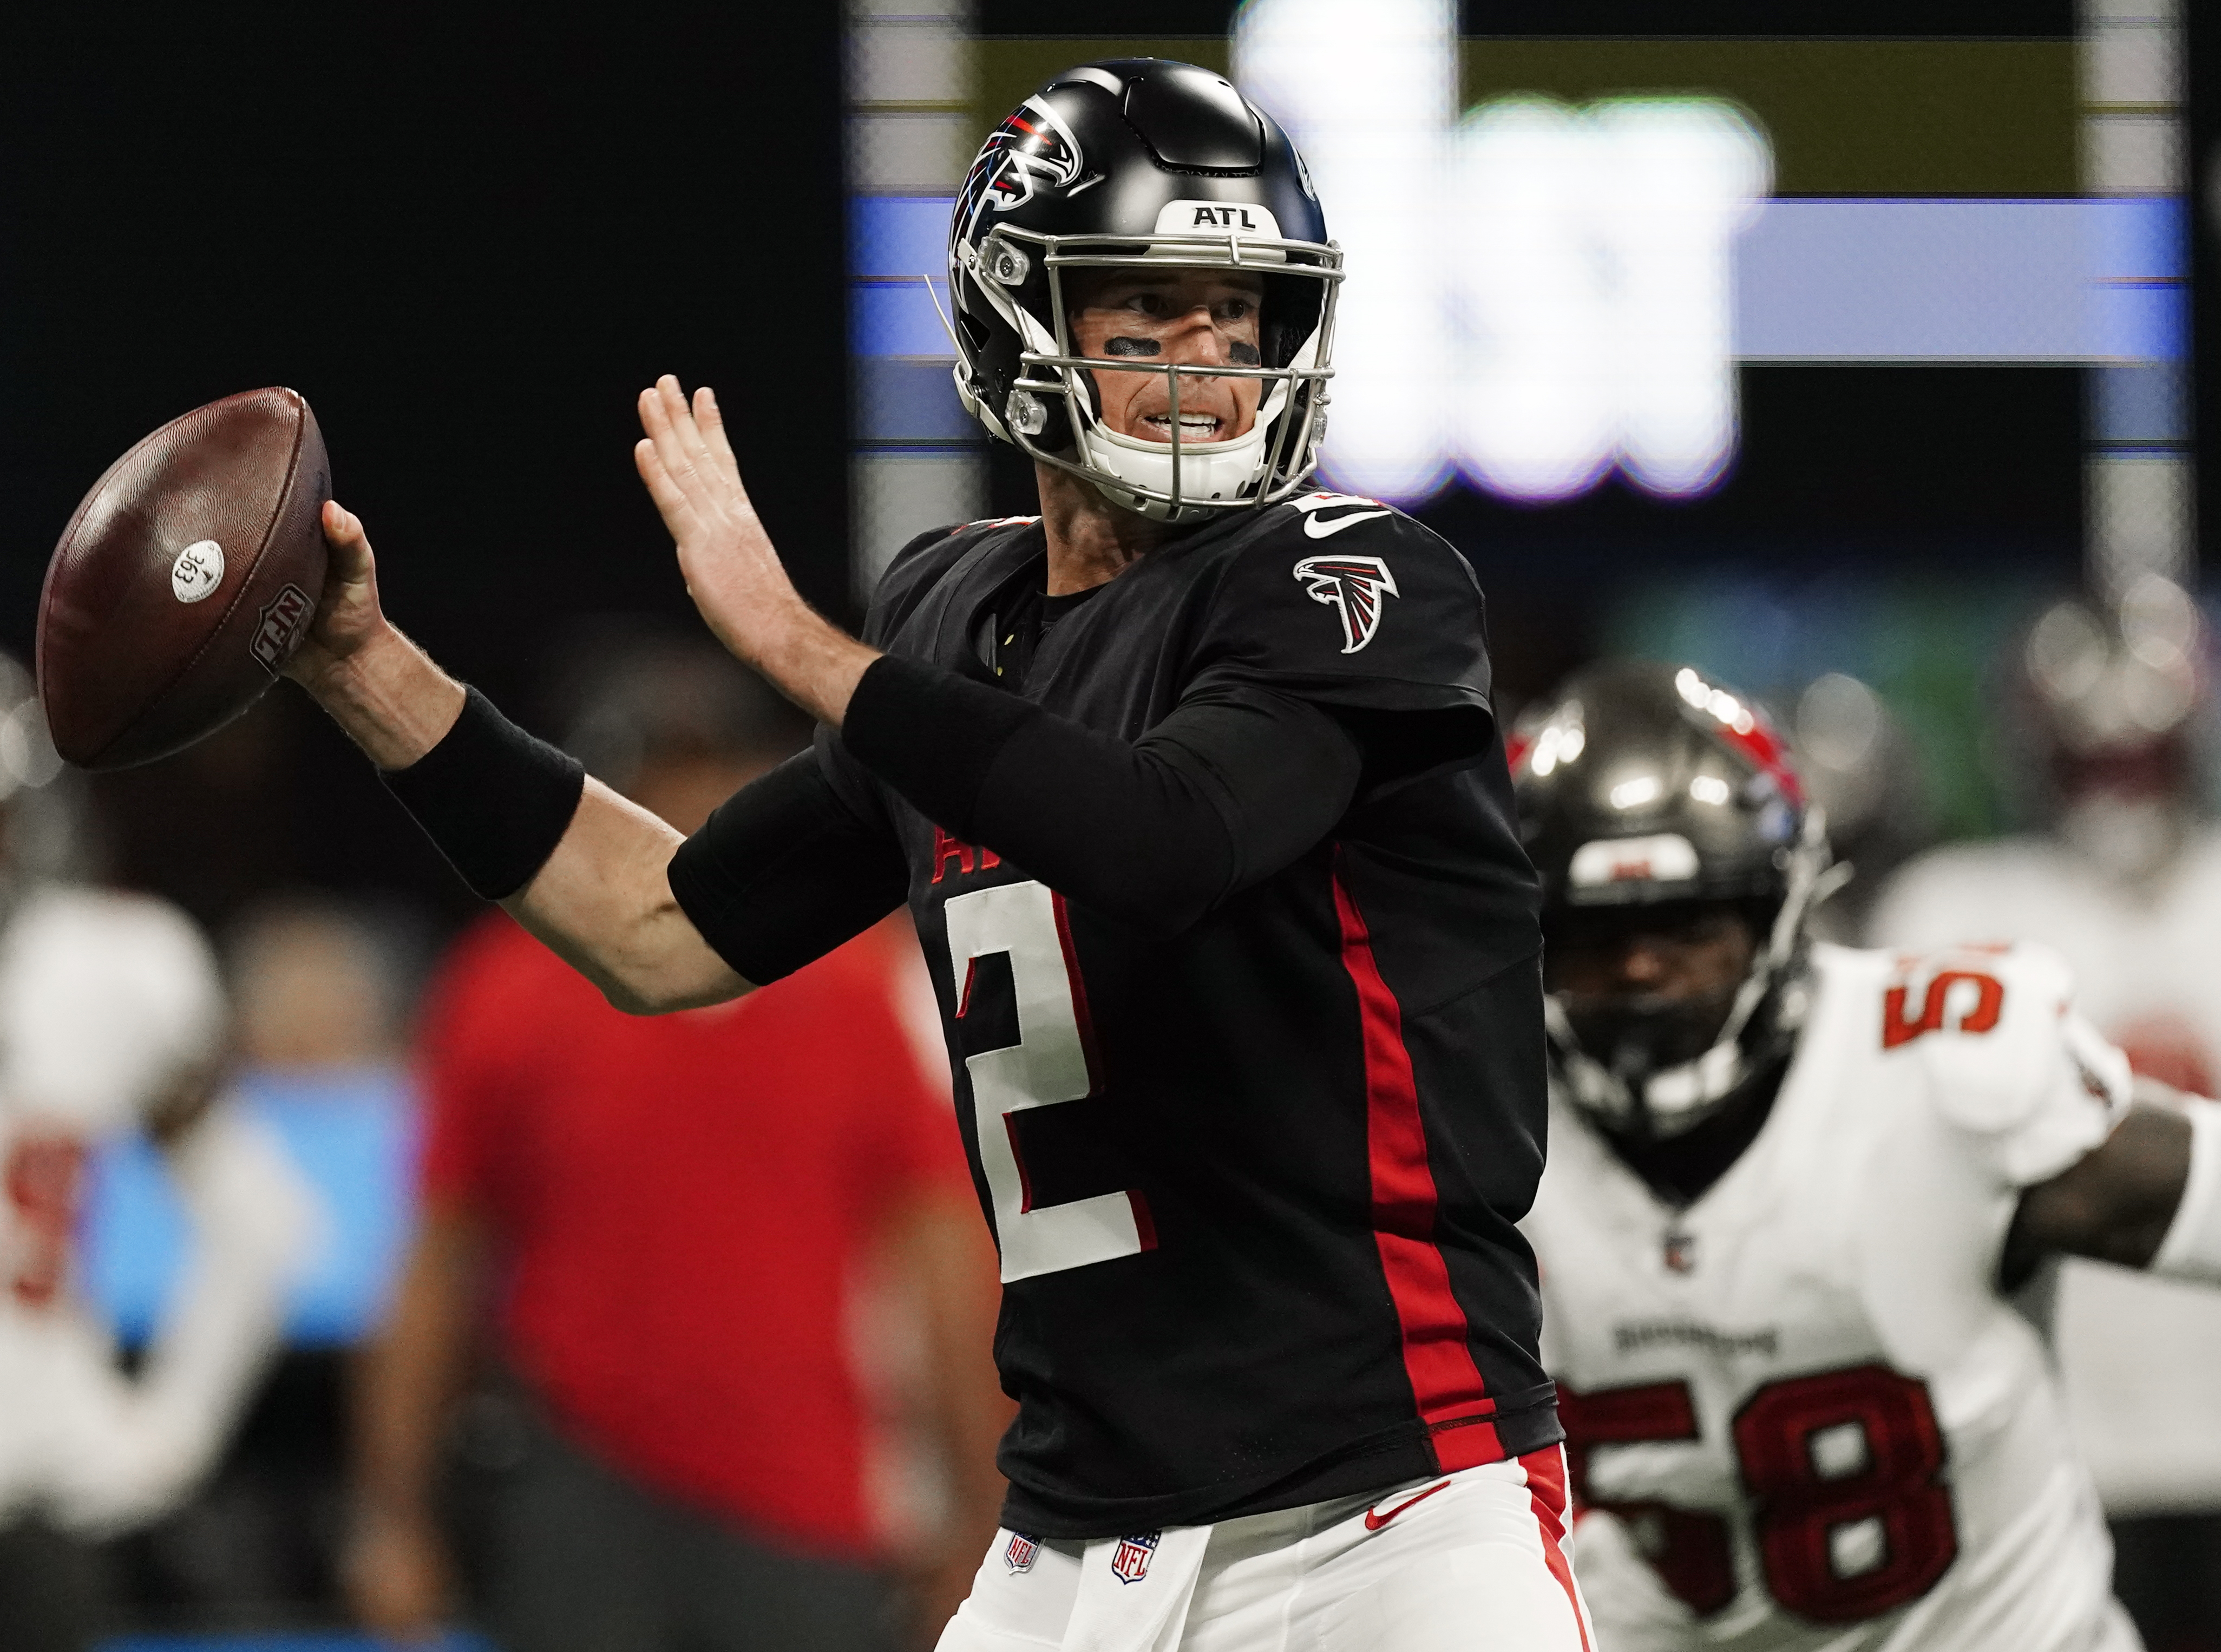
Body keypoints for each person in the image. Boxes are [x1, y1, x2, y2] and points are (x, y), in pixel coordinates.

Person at [279, 56, 1584, 1652]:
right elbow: (657, 928)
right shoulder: (960, 623)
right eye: (1149, 308)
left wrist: (794, 644)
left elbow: (1165, 836)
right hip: (1073, 1548)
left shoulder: (1352, 579)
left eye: (1238, 316)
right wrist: (360, 664)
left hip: (1381, 1523)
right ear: (1011, 318)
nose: (1210, 361)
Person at [1511, 659, 2221, 1650]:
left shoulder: (1931, 1077)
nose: (1639, 974)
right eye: (1590, 935)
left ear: (1778, 912)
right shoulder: (1472, 1136)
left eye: (1686, 924)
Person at [344, 638, 1007, 1652]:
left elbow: (943, 1265)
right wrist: (392, 1514)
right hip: (588, 1480)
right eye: (667, 773)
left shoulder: (848, 993)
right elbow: (438, 1266)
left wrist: (976, 1520)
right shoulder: (508, 993)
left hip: (803, 1498)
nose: (691, 800)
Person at [1869, 577, 2221, 1648]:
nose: (2120, 791)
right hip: (2057, 1458)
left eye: (2144, 757)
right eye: (2091, 760)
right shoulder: (1957, 909)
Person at [0, 655, 316, 1651]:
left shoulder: (110, 973)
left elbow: (261, 1227)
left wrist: (164, 1438)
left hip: (32, 1508)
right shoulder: (101, 970)